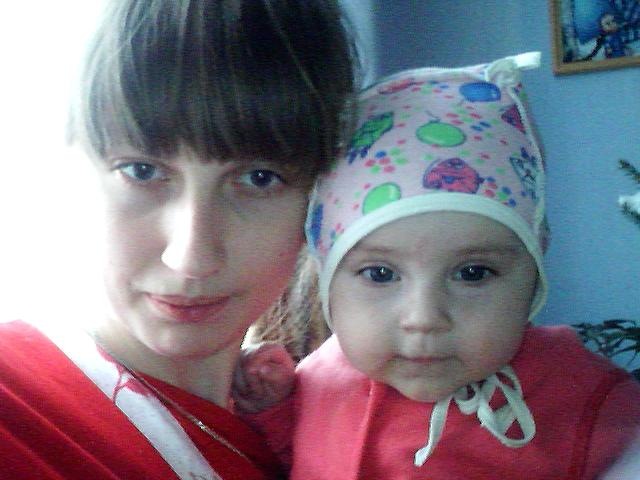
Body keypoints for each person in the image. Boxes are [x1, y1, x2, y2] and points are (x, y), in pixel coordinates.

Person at [233, 52, 640, 479]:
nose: (424, 318)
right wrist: (271, 410)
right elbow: (294, 458)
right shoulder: (317, 380)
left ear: (533, 272)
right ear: (328, 278)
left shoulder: (584, 394)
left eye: (472, 273)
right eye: (380, 274)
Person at [0, 1, 357, 479]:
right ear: (72, 165)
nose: (192, 258)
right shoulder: (16, 410)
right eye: (141, 171)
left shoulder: (353, 432)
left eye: (258, 178)